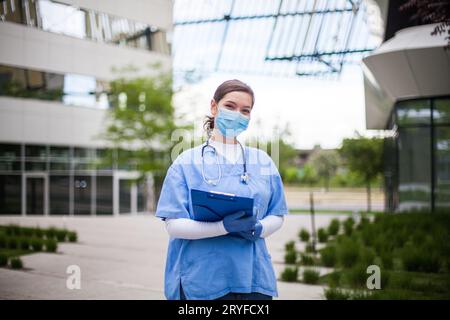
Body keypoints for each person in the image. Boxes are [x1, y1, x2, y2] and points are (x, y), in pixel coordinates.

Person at [155, 79, 288, 300]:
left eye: (245, 110)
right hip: (203, 279)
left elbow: (277, 213)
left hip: (253, 279)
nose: (238, 114)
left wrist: (260, 228)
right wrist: (222, 226)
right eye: (230, 106)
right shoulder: (186, 162)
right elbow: (174, 225)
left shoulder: (263, 161)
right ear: (214, 107)